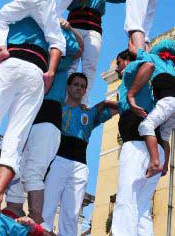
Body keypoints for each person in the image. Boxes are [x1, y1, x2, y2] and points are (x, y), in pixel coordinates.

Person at [0, 13, 63, 212]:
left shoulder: (16, 7)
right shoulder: (51, 17)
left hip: (9, 64)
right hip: (35, 72)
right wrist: (50, 71)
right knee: (15, 140)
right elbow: (62, 45)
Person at [5, 24, 83, 223]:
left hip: (48, 116)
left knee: (33, 172)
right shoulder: (35, 55)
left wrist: (66, 28)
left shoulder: (59, 60)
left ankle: (36, 220)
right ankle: (13, 209)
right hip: (29, 114)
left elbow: (78, 49)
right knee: (15, 162)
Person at [42, 73, 117, 235]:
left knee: (72, 214)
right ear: (68, 87)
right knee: (47, 208)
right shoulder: (58, 109)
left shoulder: (89, 114)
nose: (79, 88)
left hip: (80, 166)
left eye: (83, 86)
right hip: (58, 161)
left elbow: (119, 108)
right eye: (76, 84)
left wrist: (105, 102)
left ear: (85, 91)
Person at [111, 50, 165, 235]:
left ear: (127, 61)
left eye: (118, 63)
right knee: (142, 208)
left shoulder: (131, 70)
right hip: (152, 147)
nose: (117, 68)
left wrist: (131, 94)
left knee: (126, 198)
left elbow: (148, 65)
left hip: (136, 144)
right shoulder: (146, 88)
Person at [66, 0, 126, 104]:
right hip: (75, 27)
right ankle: (65, 98)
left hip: (94, 30)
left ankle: (83, 101)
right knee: (71, 64)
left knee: (90, 66)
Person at [126, 40, 175, 177]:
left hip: (168, 101)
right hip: (172, 105)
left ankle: (155, 162)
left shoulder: (151, 57)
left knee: (146, 126)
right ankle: (165, 167)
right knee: (164, 136)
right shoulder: (172, 65)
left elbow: (133, 49)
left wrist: (132, 37)